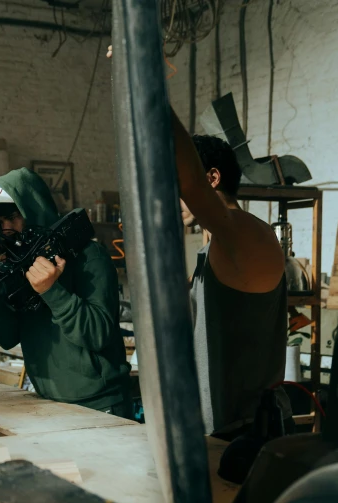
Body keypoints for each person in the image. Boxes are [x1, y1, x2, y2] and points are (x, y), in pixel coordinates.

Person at [106, 44, 289, 437]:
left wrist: (146, 84)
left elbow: (189, 180)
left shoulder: (248, 235)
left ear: (212, 179)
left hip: (246, 437)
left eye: (178, 184)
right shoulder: (210, 250)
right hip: (213, 435)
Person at [0, 167, 132, 417]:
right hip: (48, 402)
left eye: (12, 217)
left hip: (99, 405)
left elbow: (98, 334)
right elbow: (6, 338)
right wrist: (2, 289)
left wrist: (51, 290)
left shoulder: (89, 257)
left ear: (34, 209)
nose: (6, 229)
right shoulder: (22, 265)